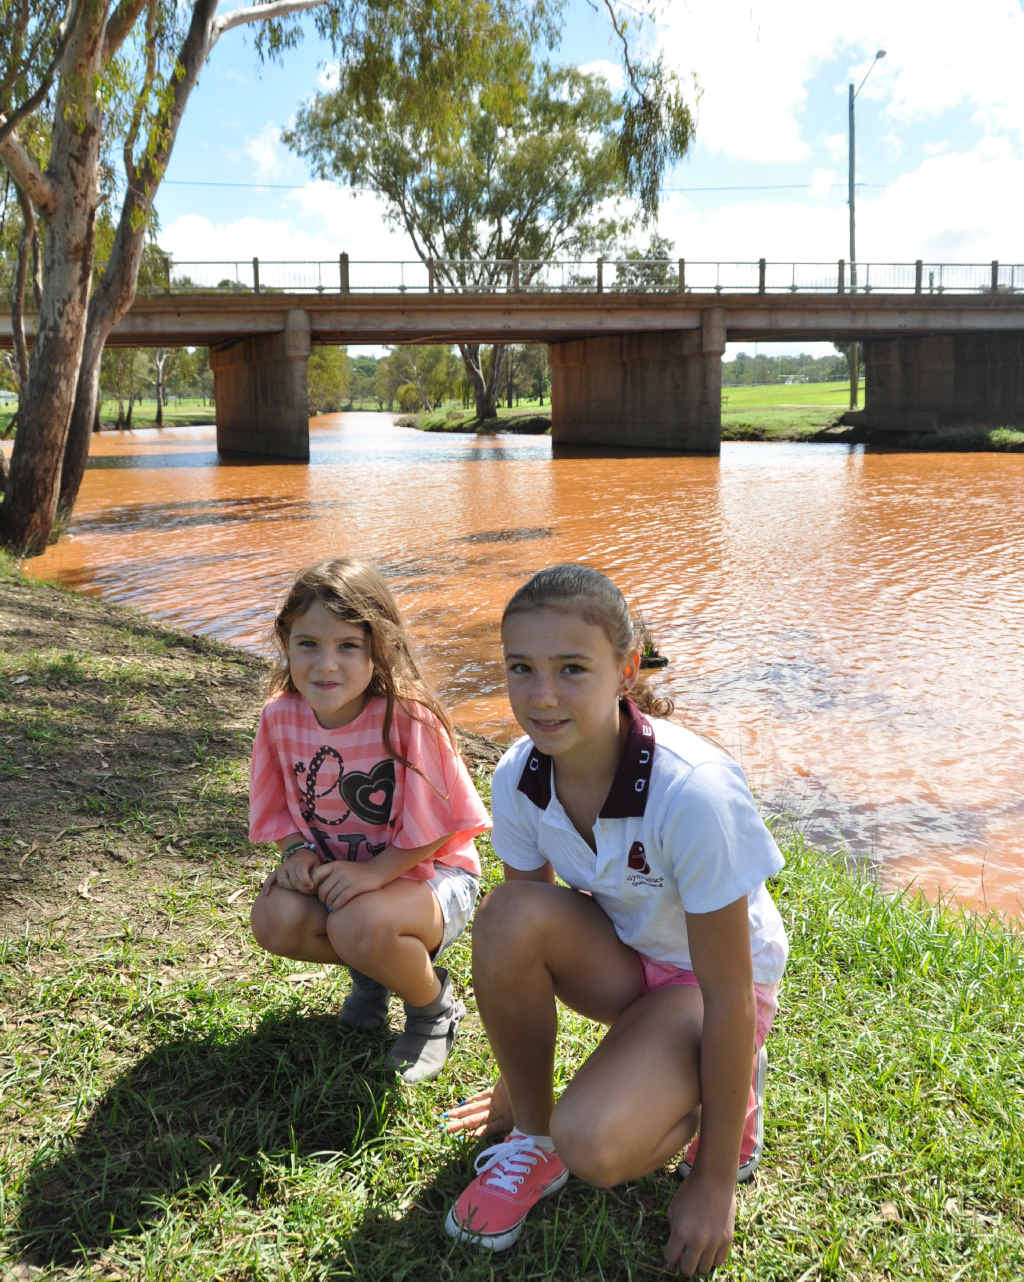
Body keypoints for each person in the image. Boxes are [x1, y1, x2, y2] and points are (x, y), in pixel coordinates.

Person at [443, 564, 788, 1275]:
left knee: (596, 1147)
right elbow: (524, 926)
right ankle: (533, 1143)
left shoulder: (693, 791)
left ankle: (729, 1089)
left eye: (572, 669)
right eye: (521, 668)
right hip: (628, 958)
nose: (541, 697)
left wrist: (713, 1180)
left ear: (625, 668)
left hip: (711, 987)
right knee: (506, 915)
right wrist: (517, 1085)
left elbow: (728, 992)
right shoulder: (519, 773)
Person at [249, 557, 490, 1084]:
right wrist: (297, 853)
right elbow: (280, 809)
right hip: (353, 886)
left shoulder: (407, 718)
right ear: (285, 640)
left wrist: (374, 874)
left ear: (379, 648)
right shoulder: (279, 716)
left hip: (434, 879)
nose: (325, 665)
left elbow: (446, 826)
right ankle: (374, 975)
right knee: (274, 917)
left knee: (358, 922)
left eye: (347, 646)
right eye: (308, 644)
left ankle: (434, 1008)